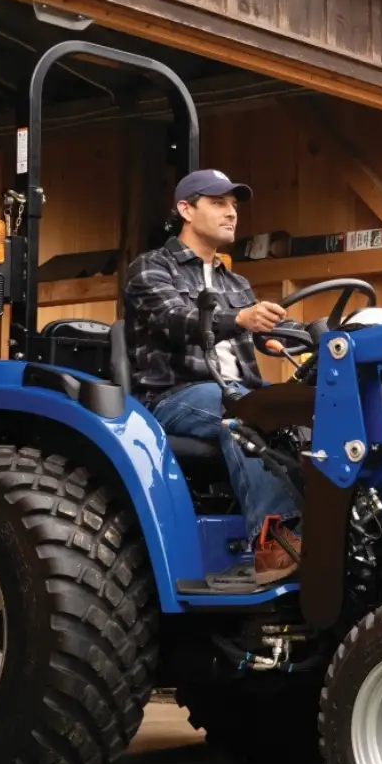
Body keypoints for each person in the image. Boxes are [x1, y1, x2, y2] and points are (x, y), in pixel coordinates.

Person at [123, 169, 301, 584]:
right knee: (247, 415)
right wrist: (240, 318)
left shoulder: (235, 281)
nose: (231, 213)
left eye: (234, 206)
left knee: (310, 409)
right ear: (186, 209)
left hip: (237, 390)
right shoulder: (150, 269)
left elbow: (257, 335)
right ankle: (275, 546)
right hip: (171, 396)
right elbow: (174, 320)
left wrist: (293, 337)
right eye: (218, 203)